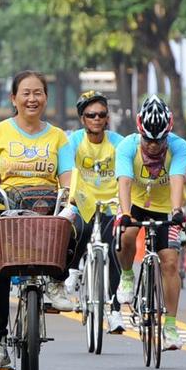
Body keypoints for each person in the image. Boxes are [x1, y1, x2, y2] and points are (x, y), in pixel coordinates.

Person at [0, 70, 74, 370]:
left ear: (46, 98)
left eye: (38, 93)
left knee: (79, 222)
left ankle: (58, 283)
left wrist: (68, 200)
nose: (32, 98)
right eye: (26, 93)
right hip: (4, 214)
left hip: (46, 213)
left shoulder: (59, 137)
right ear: (13, 99)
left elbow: (68, 177)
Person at [114, 94, 186, 351]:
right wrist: (125, 214)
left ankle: (170, 326)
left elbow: (178, 178)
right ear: (139, 130)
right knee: (125, 235)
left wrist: (178, 211)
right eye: (149, 140)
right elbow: (124, 181)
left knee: (169, 262)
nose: (154, 146)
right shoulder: (126, 146)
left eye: (160, 141)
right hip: (134, 204)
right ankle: (126, 276)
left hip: (166, 208)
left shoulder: (179, 146)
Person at [65, 90, 125, 333]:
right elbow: (66, 170)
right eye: (91, 115)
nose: (97, 119)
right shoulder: (73, 142)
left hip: (111, 203)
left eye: (101, 114)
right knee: (80, 228)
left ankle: (115, 310)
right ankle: (74, 271)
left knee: (115, 250)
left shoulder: (119, 142)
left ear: (107, 118)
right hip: (83, 201)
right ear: (82, 119)